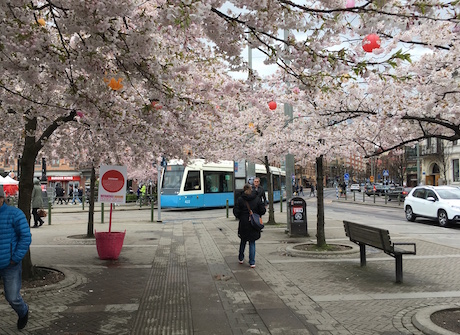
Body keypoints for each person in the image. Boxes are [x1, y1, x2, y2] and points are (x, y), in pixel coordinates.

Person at [0, 187, 32, 330]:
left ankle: (23, 311)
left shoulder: (15, 214)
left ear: (2, 198)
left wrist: (16, 257)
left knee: (12, 297)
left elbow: (25, 237)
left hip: (10, 264)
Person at [233, 184, 266, 268]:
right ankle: (252, 262)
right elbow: (262, 210)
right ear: (251, 189)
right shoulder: (257, 198)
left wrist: (241, 216)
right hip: (253, 223)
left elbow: (236, 211)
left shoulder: (240, 199)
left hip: (244, 223)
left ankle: (241, 258)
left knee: (243, 241)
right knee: (252, 242)